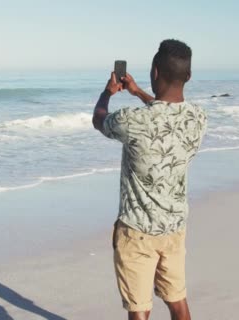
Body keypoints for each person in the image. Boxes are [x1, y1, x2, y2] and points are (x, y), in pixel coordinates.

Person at [92, 39, 207, 320]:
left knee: (139, 309)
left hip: (137, 231)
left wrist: (108, 93)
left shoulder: (133, 121)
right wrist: (138, 92)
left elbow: (99, 120)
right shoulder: (198, 118)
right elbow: (166, 112)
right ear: (188, 76)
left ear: (155, 72)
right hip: (175, 228)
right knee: (177, 301)